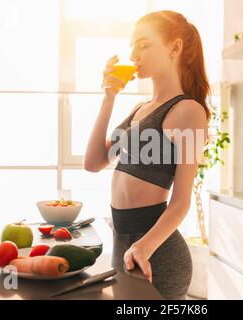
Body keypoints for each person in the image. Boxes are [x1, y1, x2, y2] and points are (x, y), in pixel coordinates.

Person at [84, 10, 211, 299]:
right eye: (133, 46)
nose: (134, 54)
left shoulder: (188, 111)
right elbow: (93, 162)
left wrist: (144, 246)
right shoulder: (139, 110)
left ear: (174, 48)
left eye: (144, 44)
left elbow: (181, 203)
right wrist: (109, 97)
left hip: (156, 253)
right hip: (124, 245)